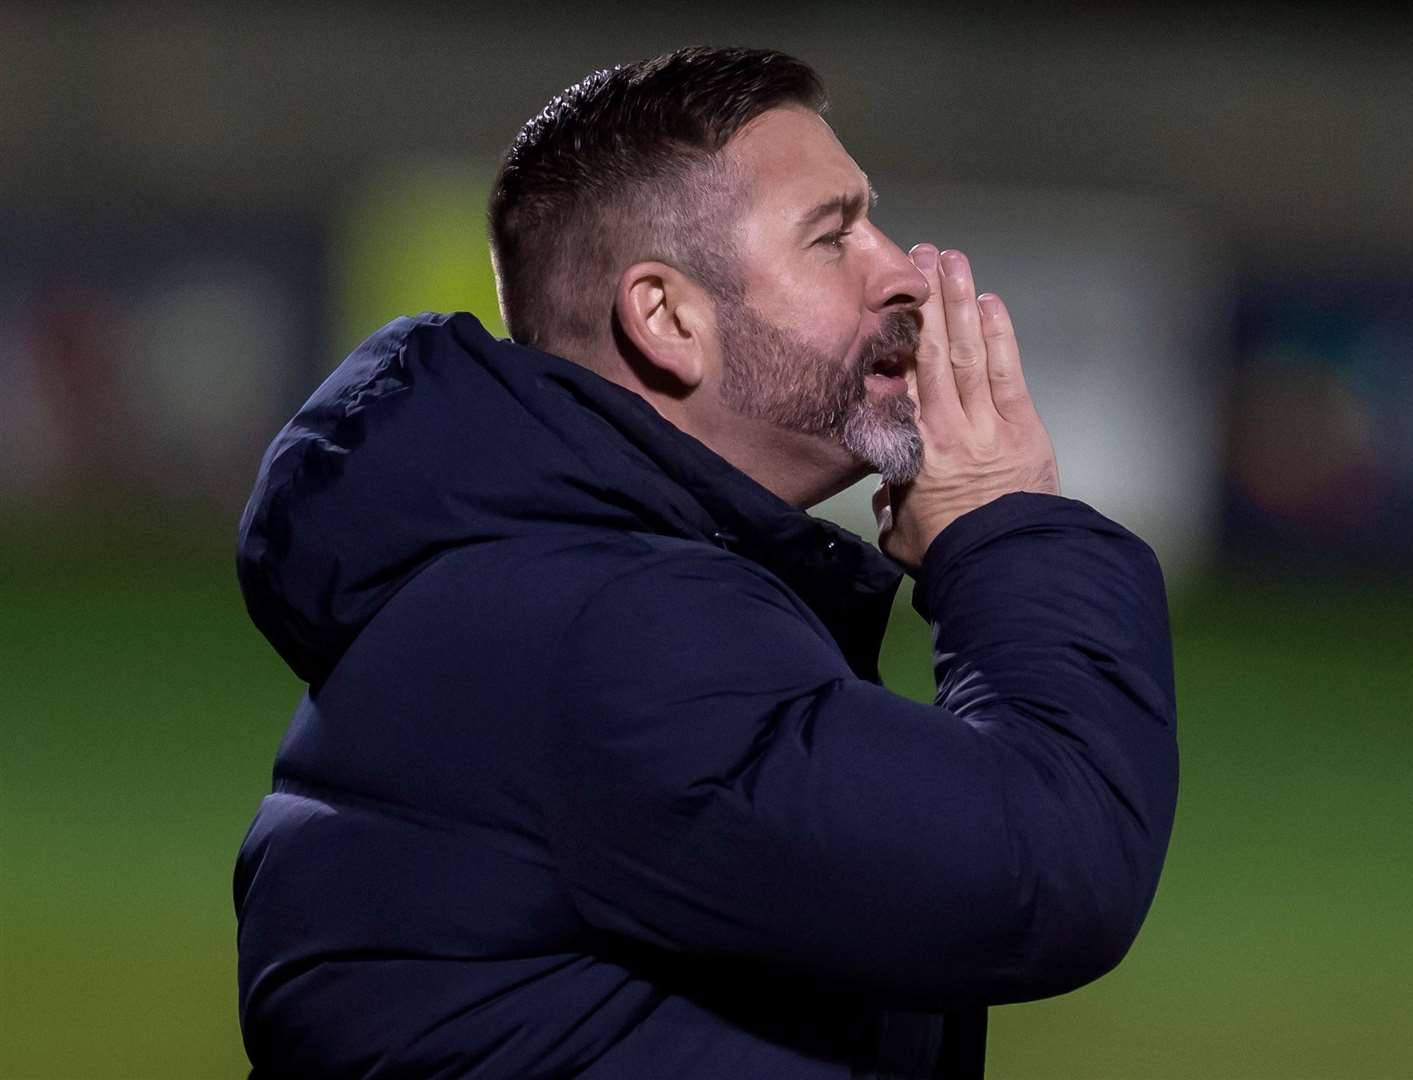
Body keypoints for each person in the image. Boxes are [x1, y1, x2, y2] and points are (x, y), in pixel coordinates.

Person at [233, 46, 1178, 1079]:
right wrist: (1006, 530)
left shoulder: (547, 583)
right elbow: (1045, 867)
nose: (902, 269)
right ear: (667, 319)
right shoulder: (607, 628)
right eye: (833, 237)